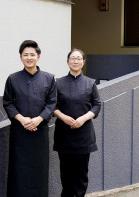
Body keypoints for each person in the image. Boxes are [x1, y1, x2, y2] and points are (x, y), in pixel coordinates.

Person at [3, 40, 57, 197]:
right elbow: (8, 103)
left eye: (32, 54)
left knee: (39, 170)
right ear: (20, 57)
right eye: (25, 55)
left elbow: (52, 103)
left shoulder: (49, 78)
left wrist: (38, 119)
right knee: (18, 170)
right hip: (19, 133)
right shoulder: (12, 79)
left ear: (38, 57)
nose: (29, 58)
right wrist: (22, 120)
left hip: (39, 132)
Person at [53, 48, 101, 197]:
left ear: (83, 62)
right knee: (66, 175)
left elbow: (97, 105)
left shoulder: (90, 83)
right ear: (68, 62)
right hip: (64, 135)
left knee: (81, 175)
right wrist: (63, 117)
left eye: (78, 58)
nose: (75, 61)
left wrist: (83, 118)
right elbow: (51, 105)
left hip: (83, 135)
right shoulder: (58, 83)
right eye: (72, 58)